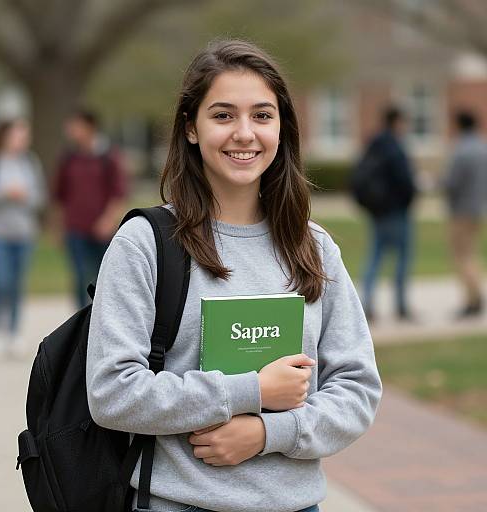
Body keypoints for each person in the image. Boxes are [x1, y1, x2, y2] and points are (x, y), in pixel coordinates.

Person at [86, 40, 382, 512]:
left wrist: (268, 432)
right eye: (223, 115)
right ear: (190, 128)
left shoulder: (314, 246)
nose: (245, 133)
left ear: (282, 128)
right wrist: (252, 391)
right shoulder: (145, 243)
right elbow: (113, 393)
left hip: (296, 505)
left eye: (262, 116)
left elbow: (357, 388)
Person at [0, 119, 45, 356]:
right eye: (18, 135)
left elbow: (39, 198)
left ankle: (14, 332)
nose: (22, 140)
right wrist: (3, 193)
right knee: (1, 281)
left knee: (17, 284)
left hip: (23, 234)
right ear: (4, 135)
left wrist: (24, 196)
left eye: (25, 135)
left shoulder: (29, 162)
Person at [52, 108, 128, 309]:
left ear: (90, 127)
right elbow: (60, 196)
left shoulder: (108, 157)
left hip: (102, 230)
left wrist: (108, 220)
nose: (71, 130)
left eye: (76, 125)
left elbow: (118, 193)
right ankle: (81, 320)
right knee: (78, 277)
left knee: (103, 277)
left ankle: (102, 315)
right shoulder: (68, 159)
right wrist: (59, 227)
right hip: (75, 228)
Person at [359, 106, 417, 322]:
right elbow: (404, 180)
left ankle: (367, 304)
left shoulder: (374, 144)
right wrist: (410, 198)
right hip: (396, 211)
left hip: (377, 211)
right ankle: (401, 306)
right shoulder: (394, 146)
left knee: (375, 256)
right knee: (402, 257)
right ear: (397, 122)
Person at [443, 110, 487, 317]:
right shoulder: (482, 147)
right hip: (478, 207)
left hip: (461, 210)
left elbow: (452, 183)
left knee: (463, 256)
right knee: (472, 254)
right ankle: (475, 297)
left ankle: (473, 299)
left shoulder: (461, 150)